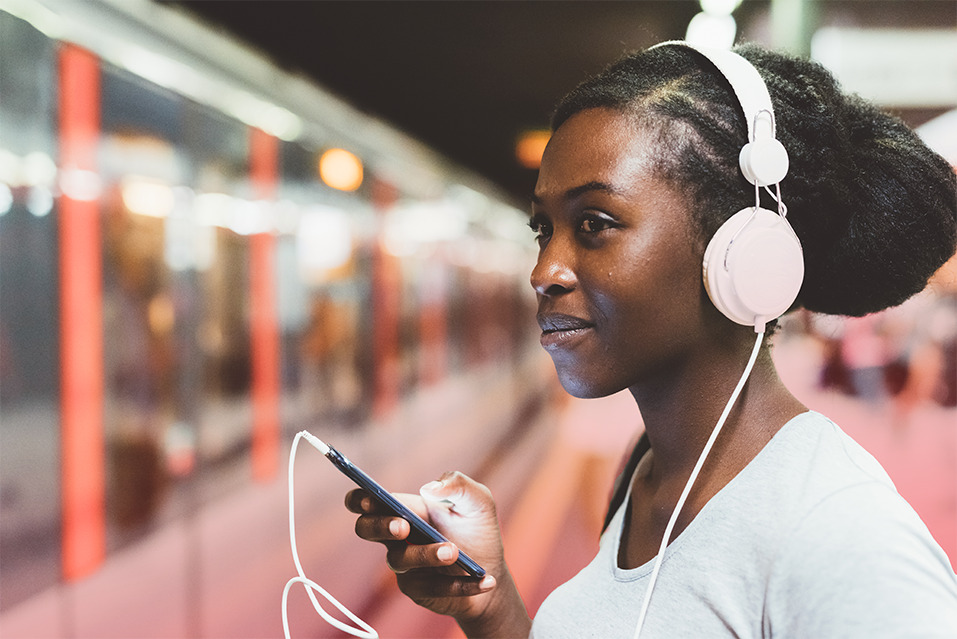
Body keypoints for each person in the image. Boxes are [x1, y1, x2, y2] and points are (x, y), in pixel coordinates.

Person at [345, 41, 957, 638]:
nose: (543, 273)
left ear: (742, 256)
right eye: (543, 230)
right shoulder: (647, 472)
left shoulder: (843, 539)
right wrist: (493, 609)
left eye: (594, 225)